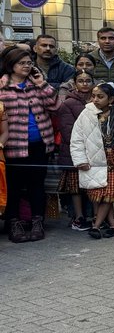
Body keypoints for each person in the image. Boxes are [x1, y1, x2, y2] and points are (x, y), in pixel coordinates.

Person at [0, 47, 58, 242]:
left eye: (29, 63)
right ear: (11, 65)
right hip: (12, 146)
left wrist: (42, 84)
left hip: (39, 143)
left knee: (37, 186)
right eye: (22, 63)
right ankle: (14, 223)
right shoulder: (2, 86)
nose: (27, 66)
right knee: (14, 187)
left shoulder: (35, 84)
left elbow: (54, 105)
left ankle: (37, 222)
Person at [73, 82, 114, 239]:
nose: (95, 99)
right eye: (93, 96)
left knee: (109, 194)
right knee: (103, 194)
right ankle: (113, 225)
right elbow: (77, 139)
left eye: (100, 96)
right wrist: (80, 159)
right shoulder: (86, 114)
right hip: (96, 161)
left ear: (111, 99)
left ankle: (96, 226)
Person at [56, 69, 95, 230]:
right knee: (76, 188)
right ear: (75, 83)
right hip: (73, 151)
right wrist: (84, 147)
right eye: (81, 80)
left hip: (95, 151)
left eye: (88, 80)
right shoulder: (68, 103)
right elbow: (68, 131)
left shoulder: (97, 100)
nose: (85, 84)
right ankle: (79, 217)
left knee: (94, 185)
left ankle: (96, 216)